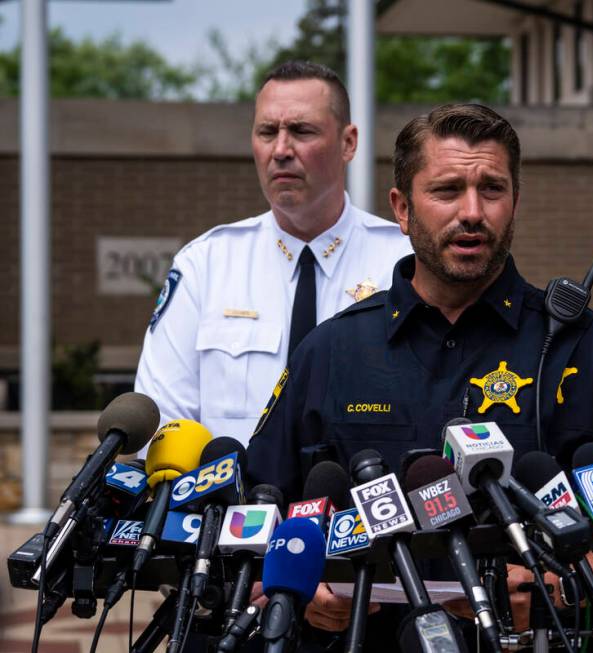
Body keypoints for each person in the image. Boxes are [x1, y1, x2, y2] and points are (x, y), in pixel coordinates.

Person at [247, 103, 593, 650]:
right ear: (402, 208)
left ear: (515, 203)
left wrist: (564, 588)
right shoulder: (331, 352)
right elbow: (254, 515)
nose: (472, 212)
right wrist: (300, 586)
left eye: (492, 189)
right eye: (446, 190)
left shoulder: (586, 345)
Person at [135, 60, 412, 444]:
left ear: (348, 143)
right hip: (230, 502)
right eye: (267, 131)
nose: (281, 149)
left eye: (301, 131)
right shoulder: (206, 265)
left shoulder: (404, 262)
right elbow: (162, 422)